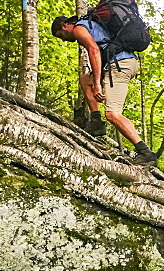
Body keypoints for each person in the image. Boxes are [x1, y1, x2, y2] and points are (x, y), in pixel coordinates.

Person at [52, 15, 158, 166]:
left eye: (60, 35)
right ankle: (96, 121)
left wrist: (97, 84)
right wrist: (95, 78)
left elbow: (94, 50)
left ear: (64, 26)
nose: (63, 39)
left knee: (112, 114)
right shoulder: (90, 25)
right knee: (84, 80)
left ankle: (145, 153)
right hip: (121, 62)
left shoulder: (79, 29)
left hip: (120, 65)